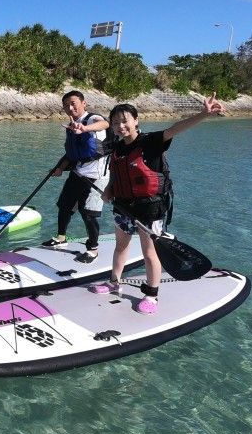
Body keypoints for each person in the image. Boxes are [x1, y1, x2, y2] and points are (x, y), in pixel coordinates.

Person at [90, 92, 226, 315]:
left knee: (149, 252)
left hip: (149, 208)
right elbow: (116, 172)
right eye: (115, 122)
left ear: (136, 120)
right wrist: (109, 188)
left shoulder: (151, 142)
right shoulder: (117, 147)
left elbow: (175, 128)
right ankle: (114, 282)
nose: (120, 126)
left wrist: (203, 114)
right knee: (121, 246)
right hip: (123, 206)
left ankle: (151, 294)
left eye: (125, 121)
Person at [42, 90, 110, 263]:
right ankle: (61, 238)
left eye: (73, 103)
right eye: (66, 105)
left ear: (83, 103)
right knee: (64, 206)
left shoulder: (91, 119)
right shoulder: (71, 125)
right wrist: (59, 168)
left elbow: (105, 124)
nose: (70, 107)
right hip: (78, 173)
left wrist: (85, 128)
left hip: (96, 176)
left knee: (88, 213)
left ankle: (93, 249)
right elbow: (71, 154)